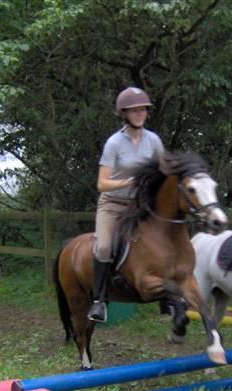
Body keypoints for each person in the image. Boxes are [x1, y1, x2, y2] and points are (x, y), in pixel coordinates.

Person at [88, 87, 165, 322]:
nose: (140, 113)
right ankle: (99, 301)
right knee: (103, 247)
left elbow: (164, 169)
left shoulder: (153, 140)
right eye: (134, 110)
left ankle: (168, 297)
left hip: (140, 205)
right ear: (124, 114)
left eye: (143, 109)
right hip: (112, 204)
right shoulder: (114, 143)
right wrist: (130, 181)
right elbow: (101, 183)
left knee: (164, 239)